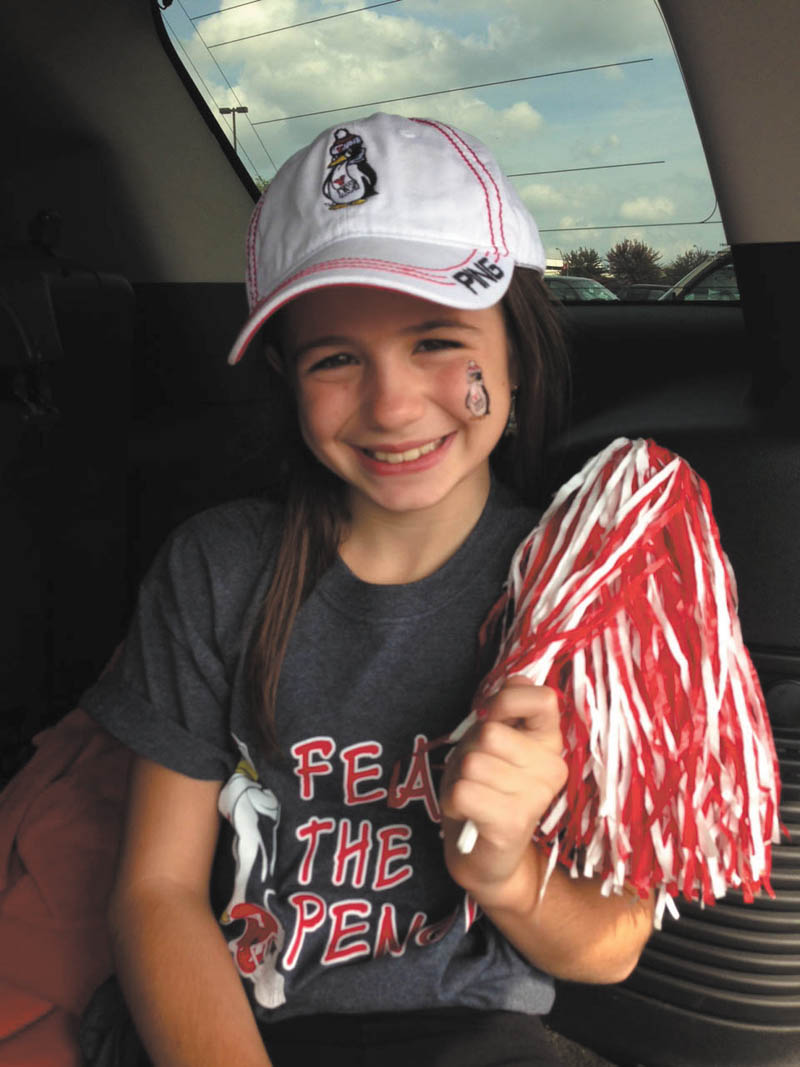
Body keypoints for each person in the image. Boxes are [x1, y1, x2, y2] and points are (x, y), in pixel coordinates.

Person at [81, 112, 654, 1067]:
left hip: (474, 1035)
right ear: (285, 376)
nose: (392, 405)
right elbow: (157, 891)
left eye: (438, 340)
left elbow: (613, 942)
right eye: (336, 358)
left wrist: (507, 875)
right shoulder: (217, 569)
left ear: (516, 351)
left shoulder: (575, 588)